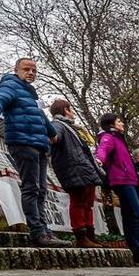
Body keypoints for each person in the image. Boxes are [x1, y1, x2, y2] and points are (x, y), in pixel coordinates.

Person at [0, 58, 68, 248]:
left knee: (41, 189)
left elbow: (40, 116)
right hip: (22, 142)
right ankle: (37, 232)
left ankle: (45, 230)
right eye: (26, 69)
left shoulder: (31, 94)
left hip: (39, 144)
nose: (31, 73)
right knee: (31, 187)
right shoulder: (11, 85)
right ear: (16, 70)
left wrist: (52, 133)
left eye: (34, 70)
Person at [95, 114, 139, 266]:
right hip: (122, 180)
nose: (122, 123)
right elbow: (103, 149)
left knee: (130, 216)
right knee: (137, 217)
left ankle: (137, 253)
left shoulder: (119, 139)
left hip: (129, 180)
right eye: (119, 121)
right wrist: (99, 159)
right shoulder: (109, 137)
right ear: (111, 124)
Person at [46, 100, 104, 248]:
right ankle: (81, 236)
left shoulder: (72, 128)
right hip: (74, 169)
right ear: (65, 110)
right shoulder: (58, 125)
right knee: (78, 202)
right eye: (71, 109)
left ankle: (90, 236)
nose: (73, 112)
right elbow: (54, 137)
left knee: (88, 203)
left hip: (83, 170)